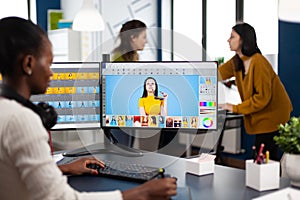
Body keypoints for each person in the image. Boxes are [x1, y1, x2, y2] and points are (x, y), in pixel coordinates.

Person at [0, 16, 177, 200]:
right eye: (49, 63)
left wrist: (64, 168)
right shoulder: (22, 120)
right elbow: (62, 198)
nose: (52, 72)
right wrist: (142, 193)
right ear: (28, 64)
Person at [218, 22, 293, 161]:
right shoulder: (238, 61)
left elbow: (262, 98)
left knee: (265, 159)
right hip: (262, 115)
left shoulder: (258, 62)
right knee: (262, 157)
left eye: (232, 37)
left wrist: (232, 107)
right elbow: (218, 73)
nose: (228, 40)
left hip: (273, 115)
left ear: (243, 40)